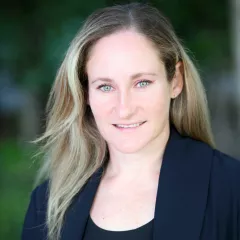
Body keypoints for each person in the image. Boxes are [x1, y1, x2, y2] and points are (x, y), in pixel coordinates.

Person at [21, 2, 240, 240]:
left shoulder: (231, 188)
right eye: (105, 86)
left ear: (175, 81)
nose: (124, 109)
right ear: (85, 94)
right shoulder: (47, 204)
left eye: (142, 83)